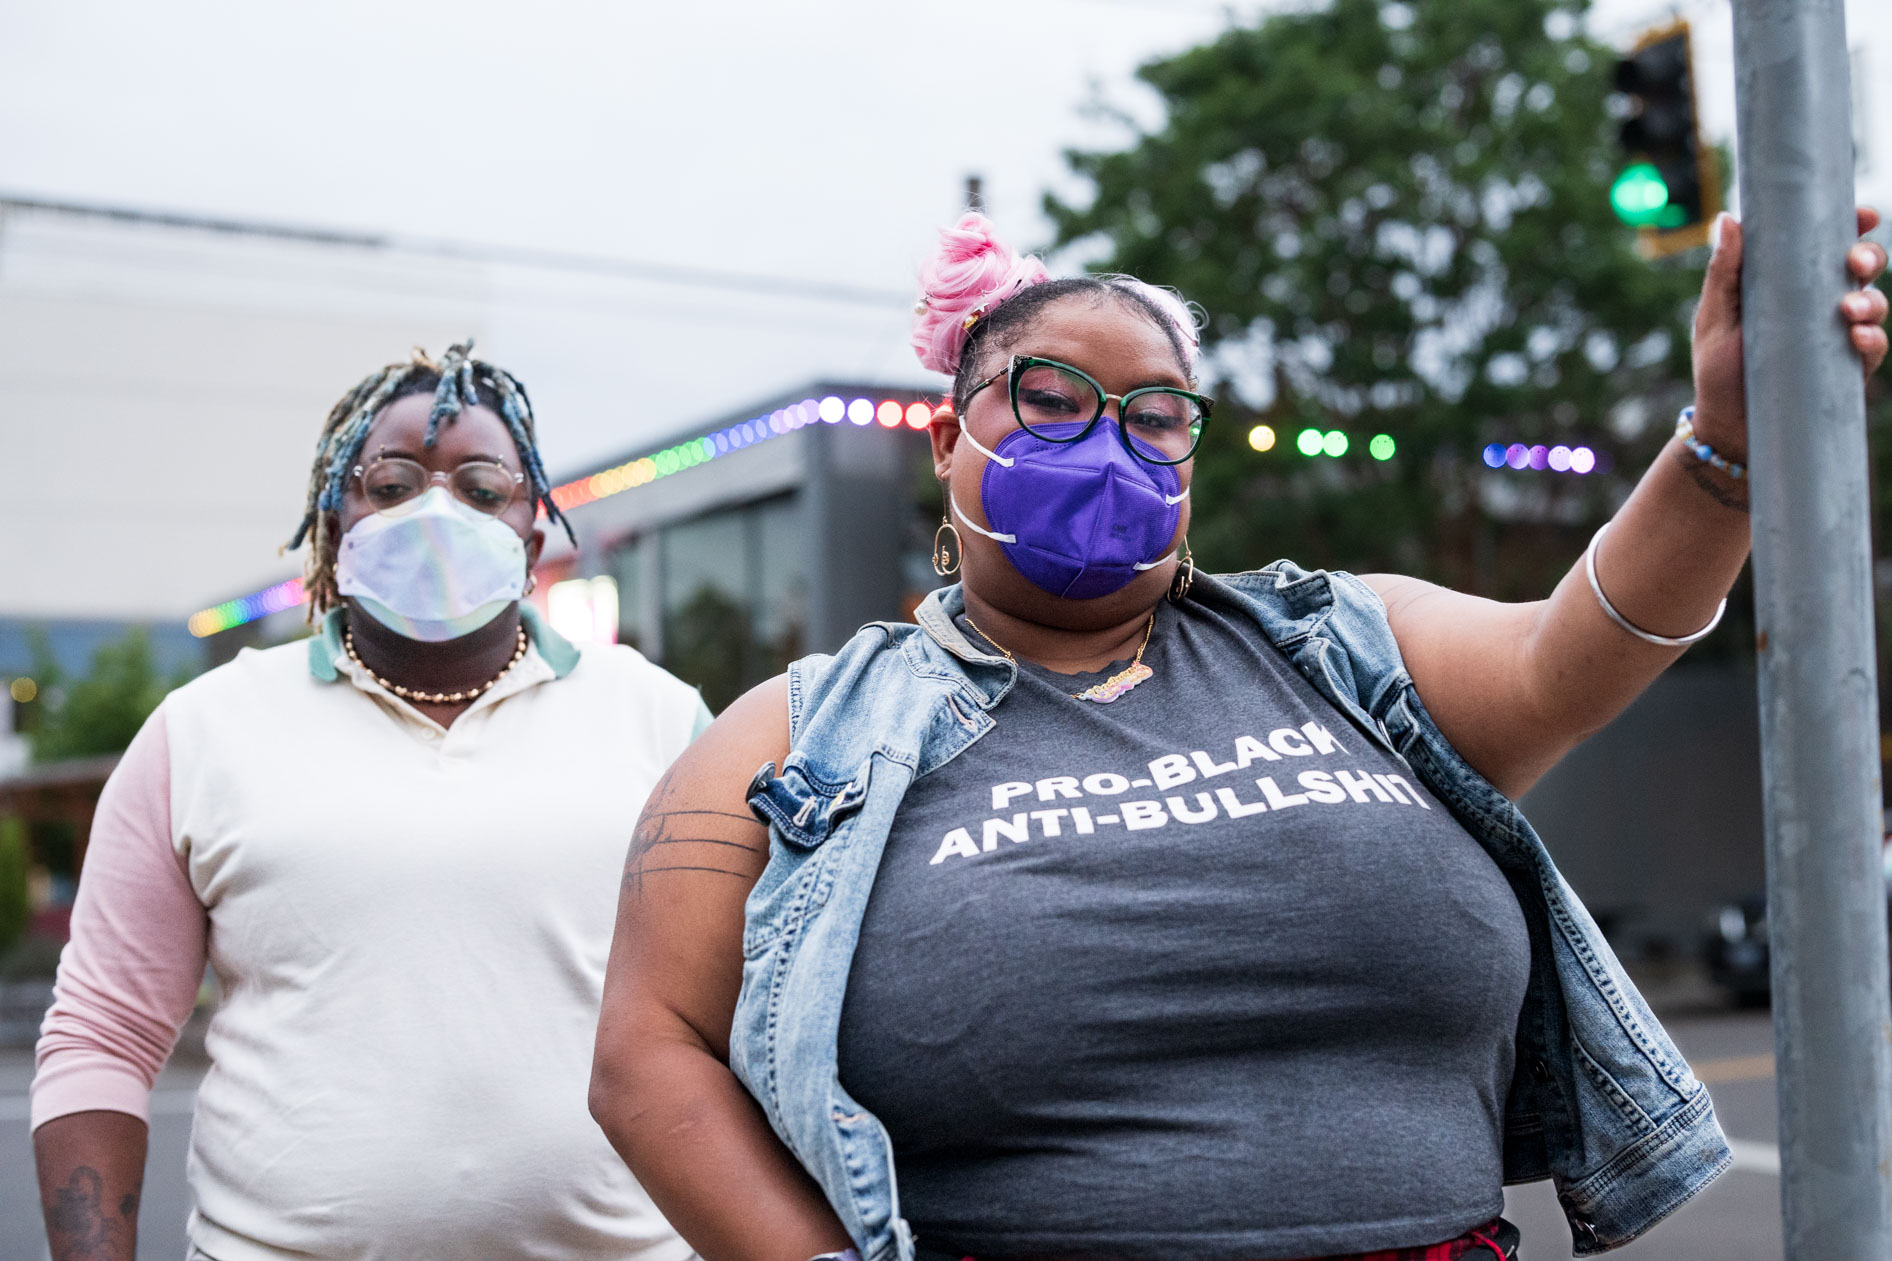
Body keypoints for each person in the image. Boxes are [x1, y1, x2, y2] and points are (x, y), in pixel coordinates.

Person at [588, 210, 1890, 1261]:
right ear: (947, 436)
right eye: (1051, 398)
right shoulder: (801, 728)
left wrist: (1724, 440)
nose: (1108, 438)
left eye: (1155, 413)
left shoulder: (1349, 644)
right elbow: (649, 1051)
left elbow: (1584, 641)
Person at [33, 343, 710, 1261]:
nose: (434, 510)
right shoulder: (203, 730)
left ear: (532, 537)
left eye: (481, 488)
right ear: (333, 522)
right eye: (389, 484)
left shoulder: (661, 720)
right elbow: (101, 1036)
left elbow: (745, 1017)